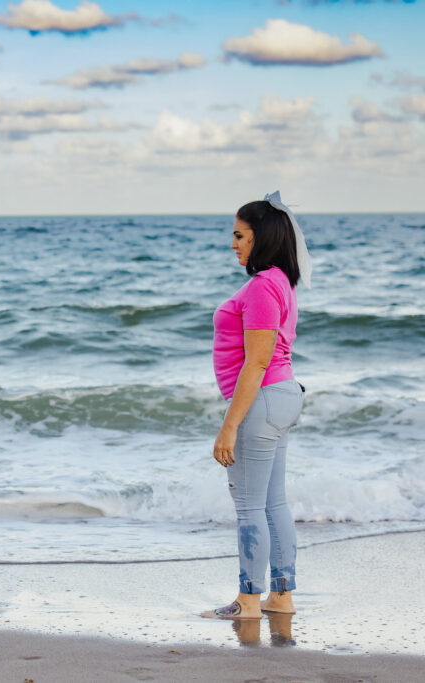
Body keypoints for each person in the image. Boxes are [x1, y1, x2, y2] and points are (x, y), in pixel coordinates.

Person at [202, 192, 312, 620]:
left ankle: (248, 601)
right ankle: (280, 596)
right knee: (272, 504)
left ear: (261, 238)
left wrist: (230, 426)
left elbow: (258, 360)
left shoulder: (265, 286)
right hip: (281, 396)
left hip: (264, 399)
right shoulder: (281, 280)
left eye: (240, 236)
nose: (233, 244)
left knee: (250, 507)